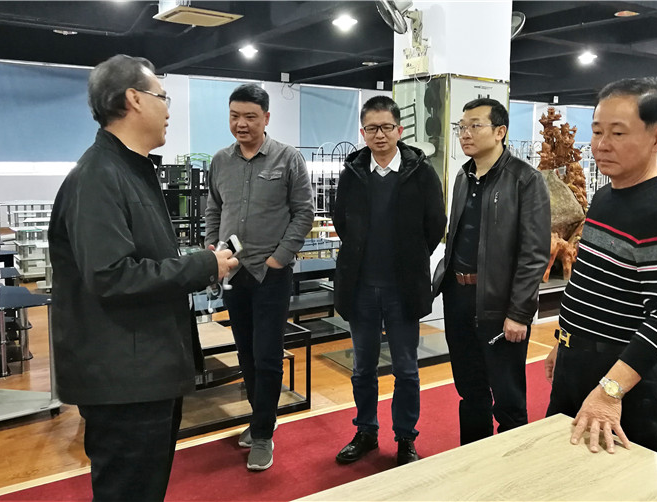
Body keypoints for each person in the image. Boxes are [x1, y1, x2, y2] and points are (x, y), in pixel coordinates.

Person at [49, 54, 238, 501]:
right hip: (124, 380)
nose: (168, 110)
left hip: (143, 369)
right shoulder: (99, 176)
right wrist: (204, 266)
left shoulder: (129, 169)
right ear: (134, 99)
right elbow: (112, 276)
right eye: (162, 97)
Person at [545, 77, 657, 454]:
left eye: (617, 133)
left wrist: (610, 390)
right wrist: (564, 341)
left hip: (624, 380)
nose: (602, 144)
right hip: (576, 363)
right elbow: (588, 282)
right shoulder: (605, 197)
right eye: (597, 131)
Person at [204, 83, 314, 471]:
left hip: (271, 274)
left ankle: (263, 434)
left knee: (267, 354)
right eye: (235, 116)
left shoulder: (288, 158)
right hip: (233, 274)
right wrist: (214, 249)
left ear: (266, 118)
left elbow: (304, 212)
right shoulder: (221, 160)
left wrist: (279, 259)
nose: (241, 124)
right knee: (246, 353)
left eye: (250, 117)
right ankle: (260, 418)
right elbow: (214, 209)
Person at [333, 95, 446, 466]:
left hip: (403, 289)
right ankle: (366, 431)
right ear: (362, 132)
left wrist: (411, 257)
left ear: (399, 130)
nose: (379, 135)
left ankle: (405, 437)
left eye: (385, 127)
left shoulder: (420, 172)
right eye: (371, 128)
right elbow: (341, 220)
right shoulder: (352, 173)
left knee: (406, 369)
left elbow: (435, 224)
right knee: (363, 368)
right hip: (361, 287)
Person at [431, 98, 551, 445]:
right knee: (470, 391)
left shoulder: (525, 180)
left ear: (500, 132)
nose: (465, 134)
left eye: (475, 126)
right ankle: (472, 459)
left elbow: (534, 254)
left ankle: (509, 468)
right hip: (458, 298)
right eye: (461, 127)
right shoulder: (462, 176)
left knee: (508, 397)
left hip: (499, 305)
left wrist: (519, 313)